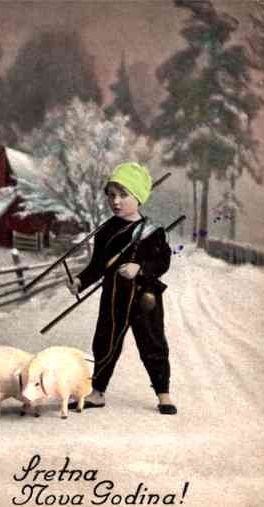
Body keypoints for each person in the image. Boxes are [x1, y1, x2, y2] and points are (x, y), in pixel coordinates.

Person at [67, 162, 177, 415]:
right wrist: (80, 281)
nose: (116, 201)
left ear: (138, 197)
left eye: (123, 195)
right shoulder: (105, 231)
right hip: (114, 294)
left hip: (144, 298)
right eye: (111, 195)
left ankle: (164, 394)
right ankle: (97, 393)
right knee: (104, 341)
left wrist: (140, 269)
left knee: (152, 343)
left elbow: (162, 262)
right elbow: (97, 265)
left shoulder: (153, 232)